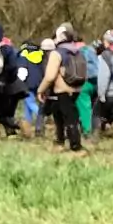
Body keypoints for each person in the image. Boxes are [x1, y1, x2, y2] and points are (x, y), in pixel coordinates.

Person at [38, 26, 89, 154]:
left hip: (62, 90)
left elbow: (50, 76)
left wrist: (41, 90)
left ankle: (76, 146)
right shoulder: (78, 51)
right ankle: (59, 142)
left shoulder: (57, 53)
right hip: (76, 88)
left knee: (69, 118)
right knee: (59, 114)